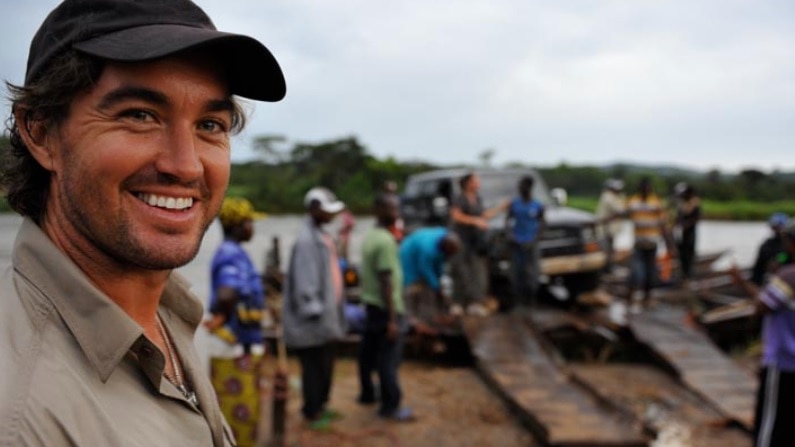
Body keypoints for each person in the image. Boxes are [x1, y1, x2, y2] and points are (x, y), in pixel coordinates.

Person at [0, 0, 285, 444]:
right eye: (139, 115)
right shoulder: (20, 415)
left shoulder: (165, 310)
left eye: (210, 124)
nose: (187, 167)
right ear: (41, 132)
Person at [282, 187, 348, 429]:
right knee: (313, 367)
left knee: (325, 366)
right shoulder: (307, 241)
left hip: (326, 319)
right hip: (314, 321)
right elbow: (306, 285)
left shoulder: (321, 235)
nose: (331, 215)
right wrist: (316, 314)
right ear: (313, 210)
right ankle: (312, 411)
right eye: (326, 211)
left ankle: (321, 405)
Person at [731, 220, 795, 447]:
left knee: (769, 426)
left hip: (783, 362)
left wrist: (743, 283)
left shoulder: (788, 277)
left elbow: (762, 306)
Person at [357, 193, 414, 421]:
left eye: (397, 209)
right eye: (392, 210)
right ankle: (391, 405)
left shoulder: (371, 236)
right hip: (386, 309)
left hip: (372, 306)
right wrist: (392, 320)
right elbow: (386, 281)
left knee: (368, 354)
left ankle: (367, 393)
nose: (396, 214)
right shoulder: (385, 241)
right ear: (380, 211)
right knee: (388, 360)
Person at [204, 197, 266, 355]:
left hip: (244, 337)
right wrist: (222, 318)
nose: (252, 228)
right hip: (234, 338)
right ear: (235, 226)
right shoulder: (230, 253)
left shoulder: (236, 251)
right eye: (249, 222)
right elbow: (226, 293)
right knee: (235, 379)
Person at [449, 172, 507, 316]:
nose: (479, 183)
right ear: (468, 183)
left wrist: (501, 208)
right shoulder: (460, 198)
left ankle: (475, 303)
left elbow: (483, 215)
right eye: (476, 180)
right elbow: (456, 216)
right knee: (461, 271)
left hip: (475, 242)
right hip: (461, 240)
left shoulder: (477, 199)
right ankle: (458, 303)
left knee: (478, 272)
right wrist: (475, 221)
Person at [399, 227, 461, 335]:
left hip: (423, 255)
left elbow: (440, 264)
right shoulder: (428, 249)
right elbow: (426, 270)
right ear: (445, 247)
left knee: (432, 287)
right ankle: (415, 323)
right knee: (415, 288)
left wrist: (439, 281)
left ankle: (430, 319)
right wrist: (436, 286)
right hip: (408, 257)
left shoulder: (444, 236)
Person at [625, 177, 674, 309]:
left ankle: (647, 299)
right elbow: (621, 213)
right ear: (640, 189)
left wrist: (670, 245)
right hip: (638, 245)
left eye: (648, 188)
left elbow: (663, 225)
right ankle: (630, 299)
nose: (646, 190)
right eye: (644, 188)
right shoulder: (633, 202)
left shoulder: (656, 203)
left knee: (650, 272)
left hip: (652, 245)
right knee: (636, 273)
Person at [504, 176, 546, 309]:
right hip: (517, 244)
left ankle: (532, 300)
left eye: (524, 186)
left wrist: (536, 238)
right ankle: (518, 301)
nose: (522, 189)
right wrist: (510, 235)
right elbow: (508, 221)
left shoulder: (537, 205)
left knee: (532, 272)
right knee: (517, 272)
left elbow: (543, 222)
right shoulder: (514, 204)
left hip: (531, 244)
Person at [751, 212, 790, 286]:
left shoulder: (790, 243)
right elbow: (758, 267)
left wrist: (779, 259)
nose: (777, 230)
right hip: (769, 278)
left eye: (779, 227)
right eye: (775, 227)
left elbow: (786, 254)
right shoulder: (767, 244)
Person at [596, 178, 626, 272]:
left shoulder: (609, 196)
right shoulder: (608, 197)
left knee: (609, 249)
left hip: (608, 228)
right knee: (607, 250)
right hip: (606, 228)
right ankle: (607, 269)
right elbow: (620, 210)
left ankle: (608, 268)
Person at [673, 183, 701, 285]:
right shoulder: (682, 204)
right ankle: (683, 277)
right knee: (681, 255)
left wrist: (685, 225)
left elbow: (696, 218)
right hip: (681, 234)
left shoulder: (694, 203)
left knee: (689, 256)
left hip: (690, 235)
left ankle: (688, 278)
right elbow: (678, 218)